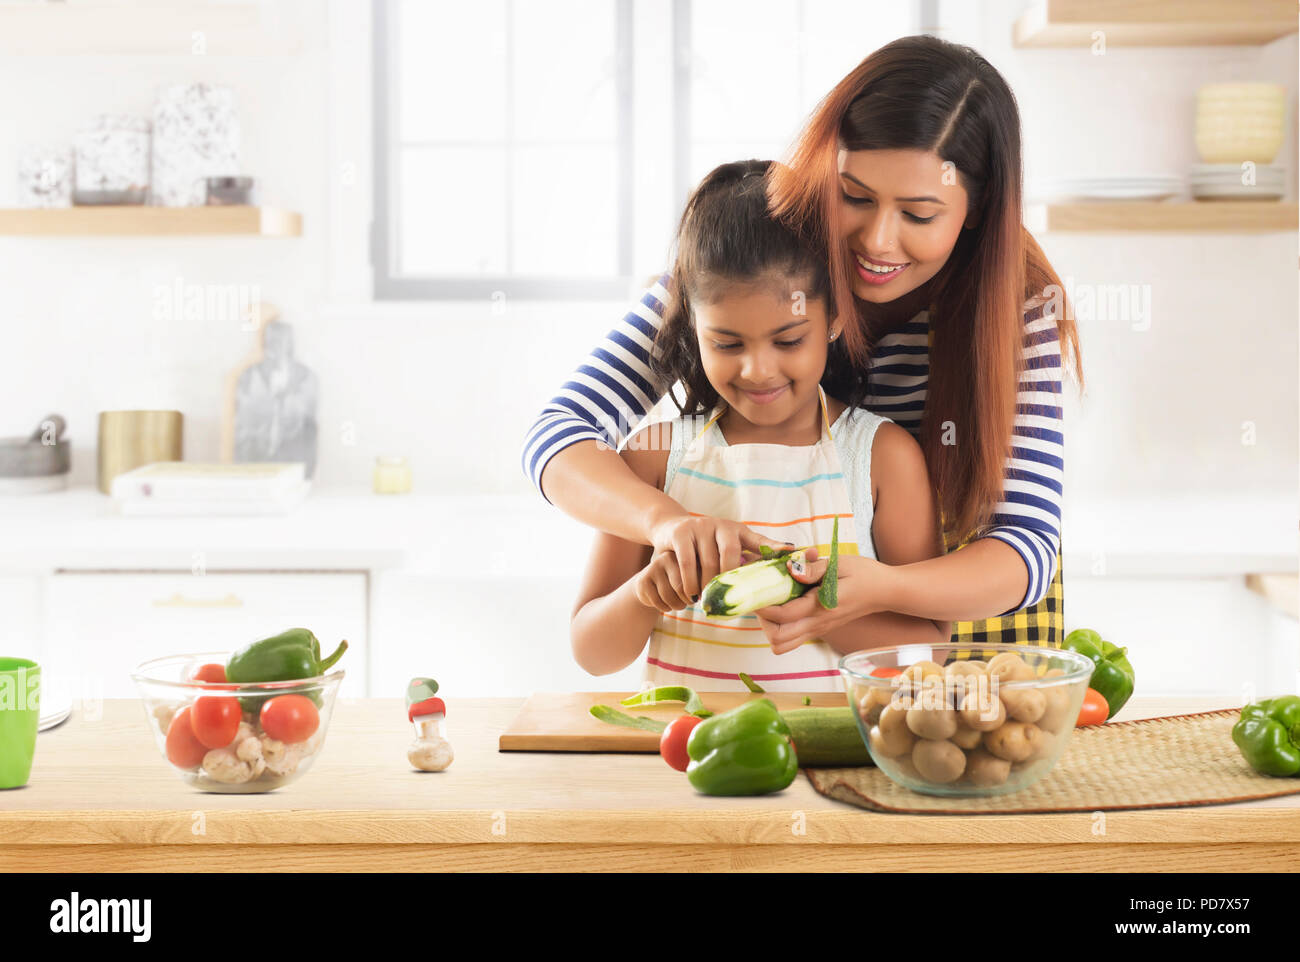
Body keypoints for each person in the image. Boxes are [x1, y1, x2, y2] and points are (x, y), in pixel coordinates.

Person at [526, 35, 1082, 655]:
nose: (877, 240)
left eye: (919, 215)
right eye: (856, 197)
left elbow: (1024, 549)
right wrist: (664, 522)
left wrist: (873, 589)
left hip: (968, 615)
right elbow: (559, 432)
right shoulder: (773, 250)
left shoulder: (1016, 302)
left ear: (976, 208)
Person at [570, 160, 949, 690]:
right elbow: (591, 651)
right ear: (693, 328)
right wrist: (643, 594)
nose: (758, 370)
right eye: (726, 344)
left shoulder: (883, 457)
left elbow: (930, 655)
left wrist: (820, 605)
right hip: (691, 761)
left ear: (836, 317)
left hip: (833, 765)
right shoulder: (655, 454)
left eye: (788, 340)